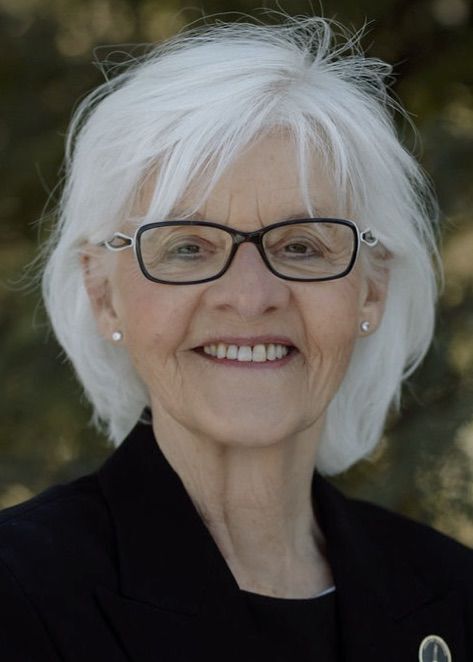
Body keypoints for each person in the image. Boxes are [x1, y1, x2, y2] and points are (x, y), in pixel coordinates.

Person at [0, 14, 471, 662]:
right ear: (103, 293)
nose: (250, 296)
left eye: (301, 246)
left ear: (370, 289)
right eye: (188, 247)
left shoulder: (455, 594)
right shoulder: (20, 593)